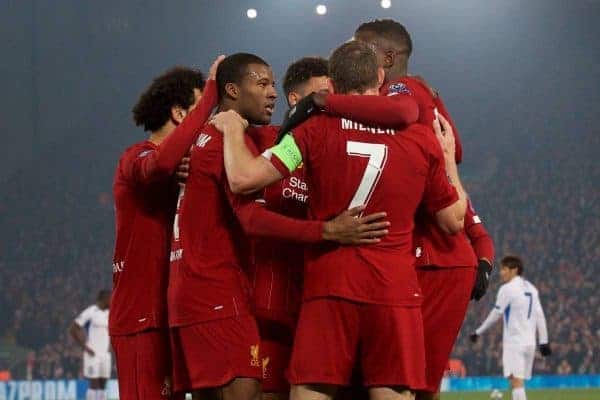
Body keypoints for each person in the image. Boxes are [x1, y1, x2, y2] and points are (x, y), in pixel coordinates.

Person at [212, 41, 469, 400]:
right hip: (394, 291)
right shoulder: (421, 138)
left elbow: (243, 179)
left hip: (331, 287)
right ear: (380, 77)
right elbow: (453, 219)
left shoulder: (312, 132)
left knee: (312, 390)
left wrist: (234, 130)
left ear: (331, 86)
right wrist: (448, 162)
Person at [167, 52, 393, 400]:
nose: (270, 92)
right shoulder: (229, 143)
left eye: (272, 84)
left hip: (209, 294)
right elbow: (250, 216)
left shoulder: (232, 139)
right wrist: (328, 231)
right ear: (232, 90)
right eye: (262, 84)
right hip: (220, 296)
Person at [354, 19, 495, 399]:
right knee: (409, 380)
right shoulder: (411, 91)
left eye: (360, 48)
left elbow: (408, 115)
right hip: (424, 258)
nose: (353, 55)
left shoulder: (402, 90)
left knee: (407, 381)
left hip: (435, 260)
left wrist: (326, 102)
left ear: (386, 57)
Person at [110, 59, 222, 400]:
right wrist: (211, 94)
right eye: (201, 109)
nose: (208, 118)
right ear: (178, 113)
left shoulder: (190, 167)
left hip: (179, 313)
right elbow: (159, 165)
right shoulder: (135, 158)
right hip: (142, 318)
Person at [470, 256, 551, 400]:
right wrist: (544, 341)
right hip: (530, 343)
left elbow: (496, 313)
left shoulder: (507, 289)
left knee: (516, 382)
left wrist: (478, 332)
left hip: (515, 342)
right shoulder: (532, 288)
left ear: (514, 270)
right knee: (517, 382)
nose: (501, 272)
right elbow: (540, 316)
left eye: (504, 269)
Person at [70, 290, 111, 400]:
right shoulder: (91, 312)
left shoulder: (110, 313)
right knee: (94, 383)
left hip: (105, 354)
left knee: (103, 385)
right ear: (104, 299)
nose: (112, 301)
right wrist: (85, 347)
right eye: (110, 298)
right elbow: (73, 329)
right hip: (92, 354)